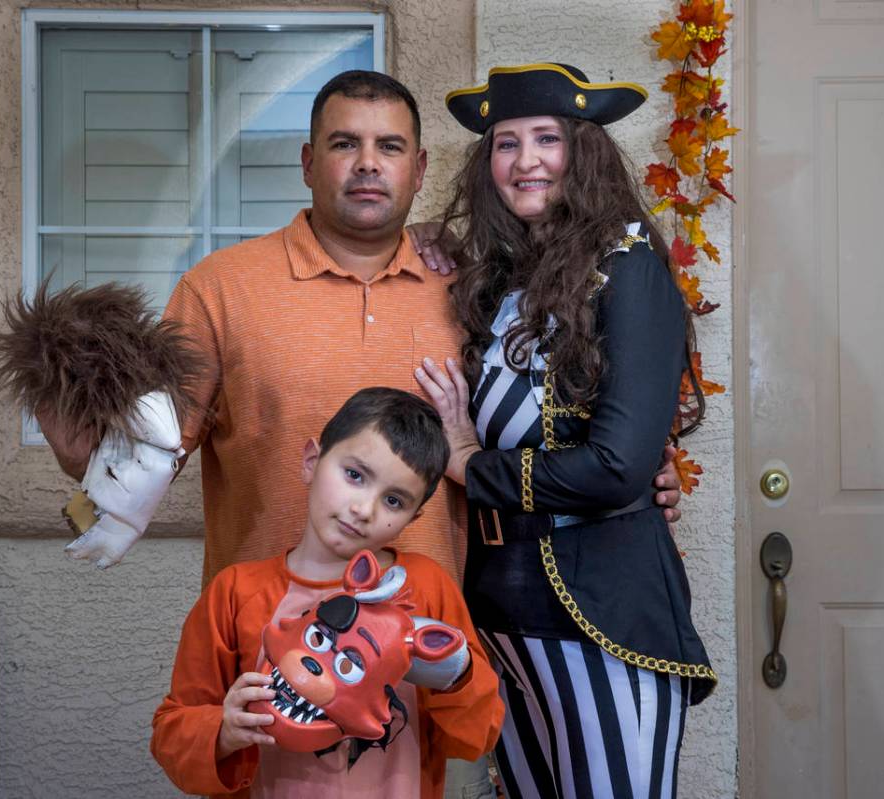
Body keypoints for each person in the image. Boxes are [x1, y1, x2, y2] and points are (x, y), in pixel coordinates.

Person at [35, 69, 684, 798]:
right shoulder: (221, 288)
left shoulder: (477, 287)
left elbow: (560, 404)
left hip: (423, 653)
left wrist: (638, 472)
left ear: (420, 168)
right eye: (345, 143)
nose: (368, 163)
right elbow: (137, 463)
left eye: (390, 146)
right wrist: (73, 449)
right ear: (309, 162)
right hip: (266, 651)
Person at [415, 64, 717, 799]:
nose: (525, 161)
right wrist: (414, 237)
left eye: (546, 138)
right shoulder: (489, 277)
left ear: (582, 151)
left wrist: (466, 464)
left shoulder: (630, 266)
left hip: (601, 606)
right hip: (497, 606)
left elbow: (617, 466)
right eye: (505, 144)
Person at [151, 387, 504, 798]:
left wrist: (456, 676)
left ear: (414, 517)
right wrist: (223, 732)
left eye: (393, 500)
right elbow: (171, 733)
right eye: (354, 475)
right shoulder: (234, 593)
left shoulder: (425, 588)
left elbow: (477, 736)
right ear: (312, 462)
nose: (364, 508)